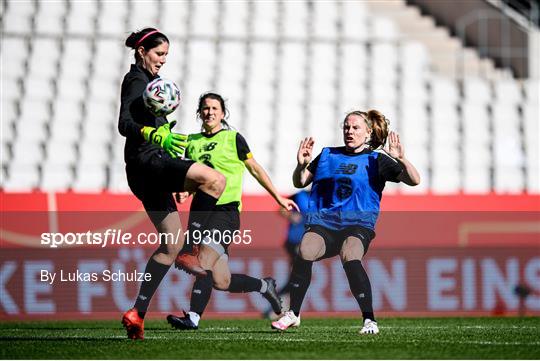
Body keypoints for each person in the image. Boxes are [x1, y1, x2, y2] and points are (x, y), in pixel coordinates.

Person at [118, 28, 227, 340]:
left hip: (145, 169)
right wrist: (155, 135)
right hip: (147, 161)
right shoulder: (137, 81)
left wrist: (164, 143)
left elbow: (149, 126)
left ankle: (137, 313)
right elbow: (124, 124)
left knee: (170, 245)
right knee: (215, 180)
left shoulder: (149, 84)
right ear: (142, 51)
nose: (163, 60)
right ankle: (195, 249)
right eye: (159, 54)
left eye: (166, 55)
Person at [271, 110, 420, 334]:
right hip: (324, 223)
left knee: (350, 255)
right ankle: (294, 313)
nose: (349, 131)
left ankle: (369, 320)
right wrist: (302, 165)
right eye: (346, 127)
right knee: (305, 249)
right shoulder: (327, 155)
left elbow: (414, 180)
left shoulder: (376, 159)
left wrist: (400, 158)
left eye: (355, 128)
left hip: (357, 224)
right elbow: (300, 182)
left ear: (368, 132)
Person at [166, 92, 299, 330]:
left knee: (201, 261)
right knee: (221, 281)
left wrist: (278, 197)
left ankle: (193, 317)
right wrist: (184, 192)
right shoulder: (191, 142)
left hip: (226, 213)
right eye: (205, 108)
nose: (210, 112)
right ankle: (264, 286)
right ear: (199, 113)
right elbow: (195, 179)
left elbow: (255, 169)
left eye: (215, 108)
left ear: (223, 113)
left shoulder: (233, 138)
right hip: (201, 213)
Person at [263, 189, 310, 319]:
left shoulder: (323, 195)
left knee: (296, 278)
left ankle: (277, 306)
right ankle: (284, 309)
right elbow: (281, 209)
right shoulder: (299, 195)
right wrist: (290, 216)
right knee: (299, 277)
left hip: (309, 243)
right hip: (295, 240)